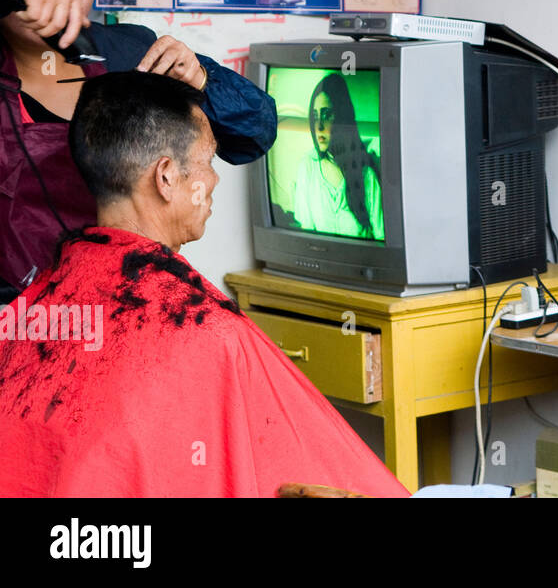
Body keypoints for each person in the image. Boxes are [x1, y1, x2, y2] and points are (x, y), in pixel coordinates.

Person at [0, 72, 409, 497]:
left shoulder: (33, 307)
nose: (213, 181)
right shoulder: (206, 329)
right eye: (208, 162)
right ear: (166, 178)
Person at [0, 0, 275, 295]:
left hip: (134, 307)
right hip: (20, 327)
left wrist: (200, 79)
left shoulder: (129, 52)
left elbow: (253, 134)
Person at [292, 73, 384, 240]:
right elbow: (307, 238)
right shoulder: (307, 167)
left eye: (327, 115)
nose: (319, 126)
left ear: (342, 117)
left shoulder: (366, 174)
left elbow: (381, 237)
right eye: (315, 116)